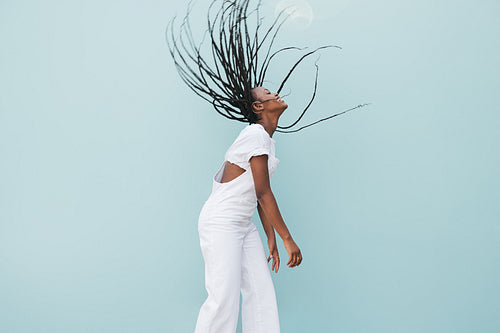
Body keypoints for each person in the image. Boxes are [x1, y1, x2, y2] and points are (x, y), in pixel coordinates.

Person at [166, 1, 367, 332]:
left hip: (242, 225)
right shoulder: (255, 136)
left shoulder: (262, 140)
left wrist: (269, 238)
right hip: (220, 224)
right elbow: (262, 193)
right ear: (260, 106)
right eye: (271, 93)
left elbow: (254, 194)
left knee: (261, 296)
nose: (278, 94)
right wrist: (288, 240)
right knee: (223, 300)